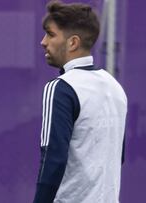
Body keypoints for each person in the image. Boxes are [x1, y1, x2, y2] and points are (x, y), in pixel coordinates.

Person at [33, 1, 127, 202]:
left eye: (50, 34)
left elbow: (53, 160)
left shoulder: (60, 87)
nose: (43, 42)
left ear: (72, 43)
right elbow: (118, 157)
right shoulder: (115, 87)